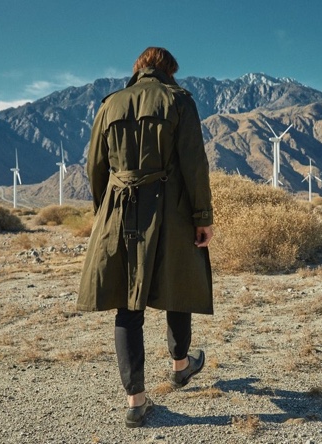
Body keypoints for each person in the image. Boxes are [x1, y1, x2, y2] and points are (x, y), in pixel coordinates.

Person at [77, 47, 214, 428]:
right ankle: (180, 365)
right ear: (169, 70)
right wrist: (202, 216)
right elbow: (194, 163)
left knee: (126, 303)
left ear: (138, 68)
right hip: (169, 210)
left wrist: (103, 212)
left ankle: (135, 400)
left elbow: (95, 166)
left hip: (119, 211)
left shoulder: (110, 104)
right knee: (178, 287)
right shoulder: (179, 101)